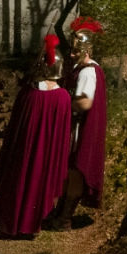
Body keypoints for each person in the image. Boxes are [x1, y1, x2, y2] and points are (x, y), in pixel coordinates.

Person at [0, 37, 73, 238]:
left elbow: (15, 127)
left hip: (23, 149)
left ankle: (8, 226)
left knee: (18, 179)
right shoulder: (62, 98)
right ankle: (30, 228)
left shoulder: (29, 93)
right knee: (38, 180)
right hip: (45, 153)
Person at [51, 17, 107, 230]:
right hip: (74, 128)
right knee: (68, 173)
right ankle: (59, 214)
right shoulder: (83, 68)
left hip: (78, 130)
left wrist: (63, 103)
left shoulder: (87, 72)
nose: (72, 54)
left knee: (74, 173)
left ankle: (64, 218)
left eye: (76, 51)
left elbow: (84, 102)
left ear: (87, 50)